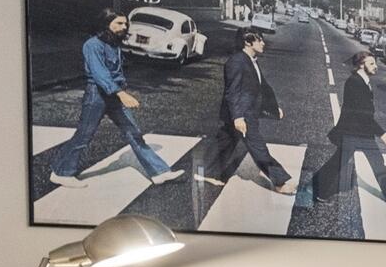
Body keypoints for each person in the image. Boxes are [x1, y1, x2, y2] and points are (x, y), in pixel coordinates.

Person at [48, 11, 177, 183]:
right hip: (97, 95)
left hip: (114, 94)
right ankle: (61, 173)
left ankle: (159, 172)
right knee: (84, 135)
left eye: (125, 24)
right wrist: (121, 93)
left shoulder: (114, 44)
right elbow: (99, 73)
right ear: (105, 24)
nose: (124, 27)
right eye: (119, 23)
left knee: (134, 133)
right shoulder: (92, 45)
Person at [198, 26, 293, 196]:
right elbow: (232, 92)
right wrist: (238, 117)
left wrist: (273, 108)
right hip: (242, 114)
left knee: (225, 142)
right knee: (258, 147)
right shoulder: (236, 62)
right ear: (248, 42)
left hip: (244, 112)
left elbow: (261, 87)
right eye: (260, 40)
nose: (263, 43)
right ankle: (280, 181)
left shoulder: (250, 60)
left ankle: (210, 172)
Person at [310, 46, 386, 204]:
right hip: (353, 132)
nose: (375, 66)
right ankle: (315, 189)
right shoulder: (355, 82)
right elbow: (362, 114)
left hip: (362, 132)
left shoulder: (362, 81)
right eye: (371, 64)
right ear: (361, 65)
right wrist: (382, 133)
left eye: (375, 63)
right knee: (338, 163)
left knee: (376, 162)